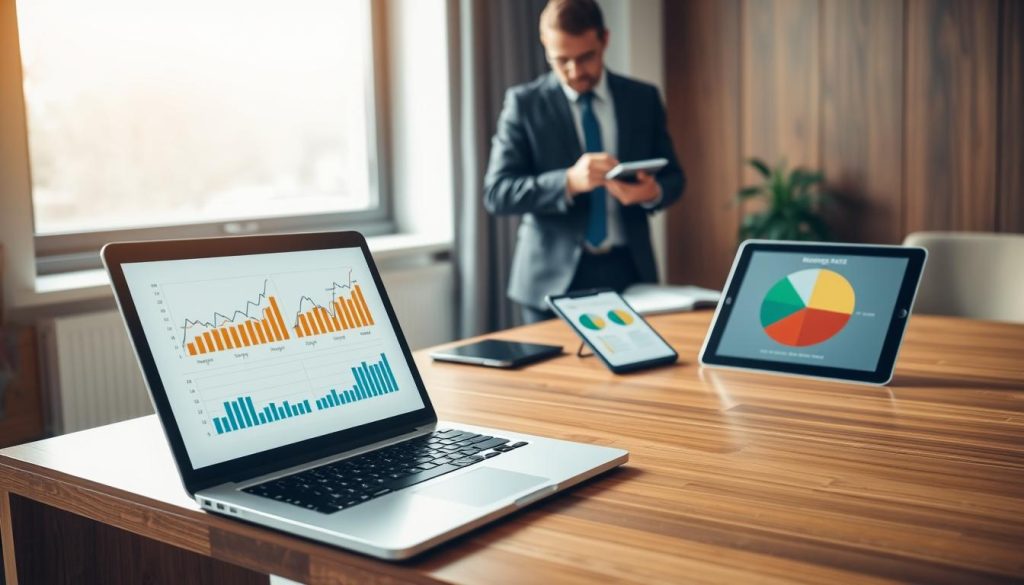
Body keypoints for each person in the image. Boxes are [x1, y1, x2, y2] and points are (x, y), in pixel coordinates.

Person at [484, 0, 685, 324]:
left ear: (604, 40)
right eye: (561, 61)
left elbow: (675, 177)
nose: (575, 71)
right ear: (545, 46)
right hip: (548, 281)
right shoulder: (524, 104)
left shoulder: (642, 98)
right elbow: (497, 193)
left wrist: (651, 192)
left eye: (586, 57)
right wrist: (569, 182)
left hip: (629, 273)